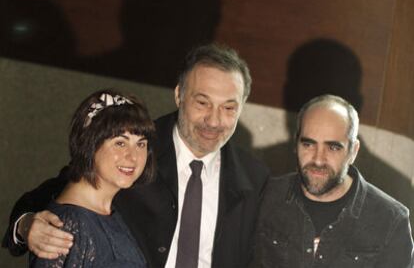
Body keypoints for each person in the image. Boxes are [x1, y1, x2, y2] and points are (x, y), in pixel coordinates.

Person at [2, 44, 270, 268]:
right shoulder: (136, 149)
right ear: (179, 95)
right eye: (202, 103)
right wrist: (26, 226)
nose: (214, 120)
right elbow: (51, 195)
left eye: (228, 108)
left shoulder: (256, 179)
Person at [250, 94, 413, 268]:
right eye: (308, 144)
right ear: (295, 144)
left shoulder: (390, 220)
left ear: (353, 151)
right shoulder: (265, 197)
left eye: (333, 147)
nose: (318, 160)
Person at [29, 89, 156, 267]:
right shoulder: (69, 224)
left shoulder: (111, 213)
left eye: (141, 144)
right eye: (120, 143)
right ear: (90, 143)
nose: (133, 157)